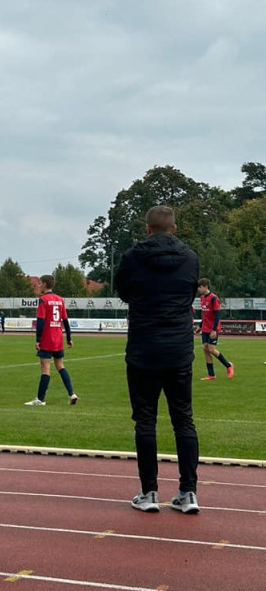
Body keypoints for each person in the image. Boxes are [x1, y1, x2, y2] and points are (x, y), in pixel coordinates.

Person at [114, 205, 200, 515]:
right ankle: (188, 492)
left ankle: (149, 492)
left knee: (145, 421)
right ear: (174, 228)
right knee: (183, 419)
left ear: (147, 228)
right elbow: (189, 294)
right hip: (178, 350)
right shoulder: (190, 258)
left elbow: (123, 292)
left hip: (143, 350)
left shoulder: (131, 258)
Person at [24, 274, 78, 407]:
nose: (39, 285)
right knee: (60, 366)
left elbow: (40, 321)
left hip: (47, 339)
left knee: (45, 369)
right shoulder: (60, 299)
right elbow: (65, 320)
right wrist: (69, 338)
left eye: (40, 283)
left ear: (45, 284)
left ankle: (40, 399)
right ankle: (72, 393)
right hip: (58, 338)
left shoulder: (43, 300)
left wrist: (38, 340)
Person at [197, 279, 234, 381]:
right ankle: (211, 375)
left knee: (211, 349)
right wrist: (200, 326)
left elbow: (217, 315)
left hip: (213, 328)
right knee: (205, 349)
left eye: (200, 287)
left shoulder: (214, 298)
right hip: (205, 328)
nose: (198, 289)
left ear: (205, 287)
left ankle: (228, 365)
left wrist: (214, 330)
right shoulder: (201, 298)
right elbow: (204, 315)